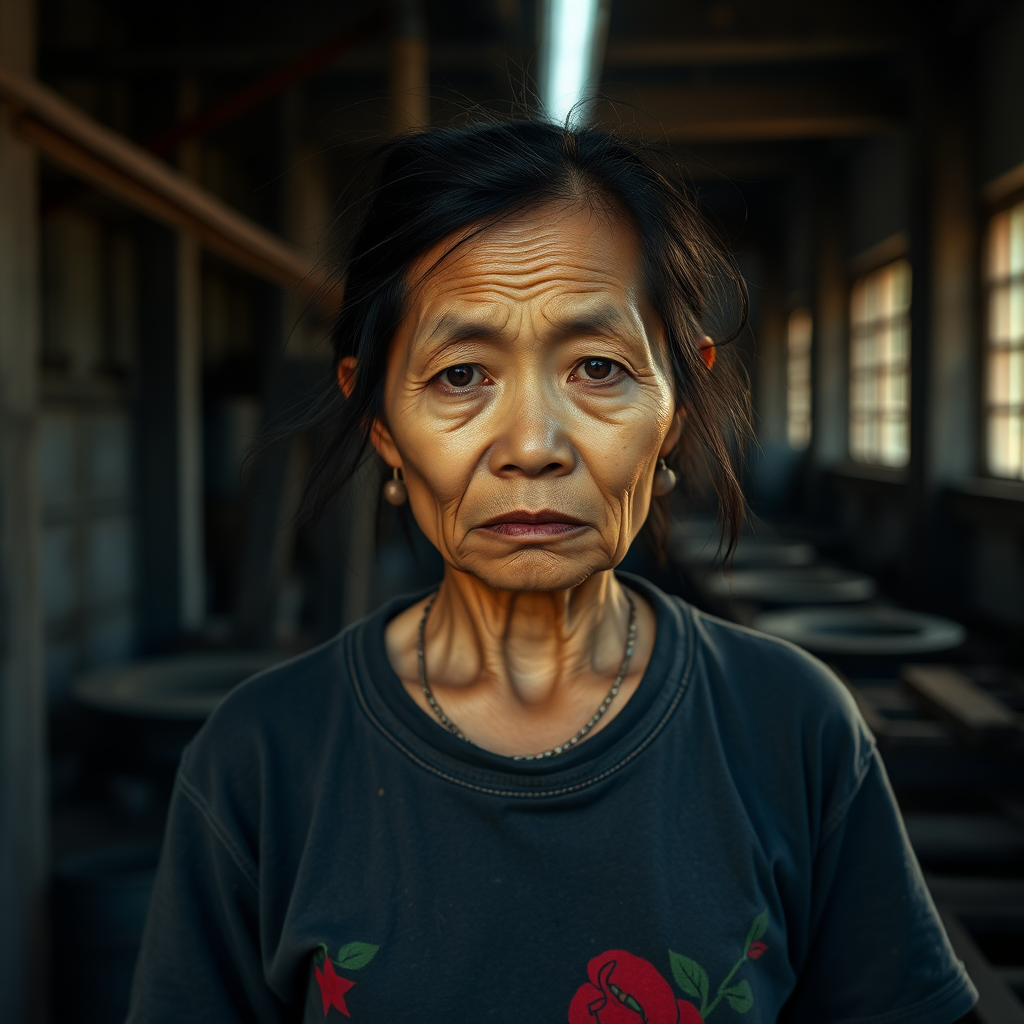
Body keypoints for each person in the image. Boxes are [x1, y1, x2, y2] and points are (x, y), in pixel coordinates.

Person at [127, 120, 977, 1024]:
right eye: (460, 376)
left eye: (598, 368)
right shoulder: (261, 760)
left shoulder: (791, 730)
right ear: (379, 420)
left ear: (678, 406)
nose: (532, 447)